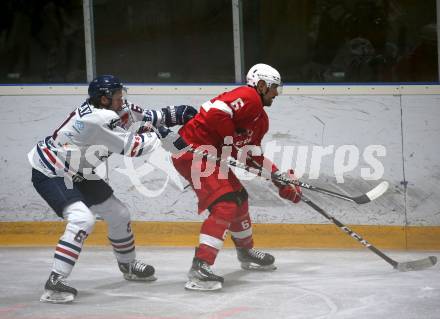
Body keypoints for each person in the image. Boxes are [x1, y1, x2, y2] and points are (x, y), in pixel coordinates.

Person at [27, 75, 197, 303]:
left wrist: (177, 113)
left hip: (80, 170)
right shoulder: (97, 119)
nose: (122, 99)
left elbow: (147, 117)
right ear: (104, 99)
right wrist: (159, 134)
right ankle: (55, 281)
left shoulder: (115, 108)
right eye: (117, 96)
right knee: (82, 219)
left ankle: (127, 265)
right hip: (52, 170)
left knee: (119, 214)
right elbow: (133, 148)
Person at [171, 63, 302, 291]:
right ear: (260, 85)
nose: (276, 94)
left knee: (239, 199)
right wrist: (230, 138)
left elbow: (250, 155)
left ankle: (246, 252)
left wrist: (277, 176)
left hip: (209, 156)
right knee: (225, 204)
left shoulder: (261, 120)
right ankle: (200, 267)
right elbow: (215, 111)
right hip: (192, 151)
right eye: (273, 88)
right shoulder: (248, 96)